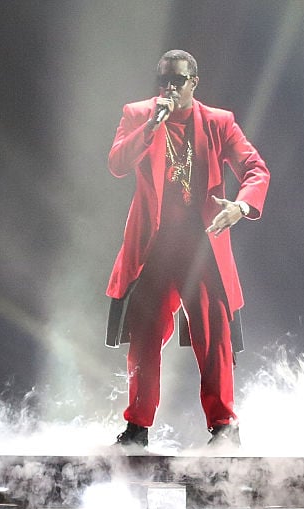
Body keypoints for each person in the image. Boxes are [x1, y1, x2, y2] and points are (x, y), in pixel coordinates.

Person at [105, 49, 270, 450]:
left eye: (178, 80)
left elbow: (255, 168)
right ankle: (136, 429)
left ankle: (225, 429)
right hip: (154, 248)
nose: (170, 88)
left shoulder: (219, 122)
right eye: (164, 80)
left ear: (194, 82)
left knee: (214, 339)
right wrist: (149, 128)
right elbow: (117, 163)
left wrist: (242, 205)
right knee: (143, 340)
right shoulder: (138, 114)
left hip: (202, 249)